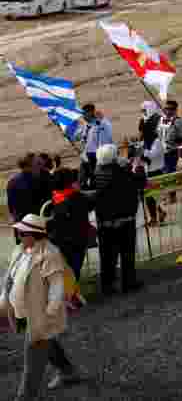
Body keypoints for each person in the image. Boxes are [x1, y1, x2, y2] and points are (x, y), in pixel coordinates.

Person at [1, 214, 85, 399]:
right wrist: (5, 301)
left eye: (22, 232)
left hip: (41, 315)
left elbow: (57, 288)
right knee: (44, 344)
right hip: (23, 312)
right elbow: (10, 277)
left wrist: (49, 315)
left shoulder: (50, 255)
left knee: (32, 360)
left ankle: (24, 398)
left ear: (33, 234)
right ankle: (68, 371)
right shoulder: (21, 250)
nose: (18, 234)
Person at [93, 144, 145, 296]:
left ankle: (107, 285)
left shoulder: (96, 173)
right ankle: (129, 281)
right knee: (127, 253)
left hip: (104, 222)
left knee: (107, 256)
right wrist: (137, 166)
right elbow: (140, 182)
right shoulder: (122, 172)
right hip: (125, 219)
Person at [44, 168, 93, 282]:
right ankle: (72, 294)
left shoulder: (51, 199)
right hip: (77, 239)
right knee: (74, 269)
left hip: (58, 240)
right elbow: (90, 205)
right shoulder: (78, 197)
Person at [75, 104, 112, 190]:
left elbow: (108, 131)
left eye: (84, 113)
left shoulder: (100, 124)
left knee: (95, 176)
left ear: (91, 112)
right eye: (82, 114)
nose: (83, 116)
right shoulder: (85, 125)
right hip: (86, 155)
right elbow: (78, 137)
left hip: (96, 155)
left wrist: (102, 119)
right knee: (84, 176)